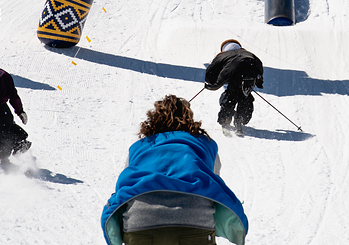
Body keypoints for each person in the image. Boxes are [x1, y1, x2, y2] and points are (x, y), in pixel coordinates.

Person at [101, 95, 248, 245]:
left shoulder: (139, 147)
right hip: (195, 223)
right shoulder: (204, 145)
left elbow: (126, 186)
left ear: (153, 120)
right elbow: (213, 181)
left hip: (139, 225)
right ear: (189, 119)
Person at [204, 39, 264, 136]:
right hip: (251, 74)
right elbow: (259, 65)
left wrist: (210, 83)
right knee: (245, 95)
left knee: (231, 95)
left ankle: (226, 119)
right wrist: (258, 81)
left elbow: (211, 72)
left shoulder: (222, 55)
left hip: (233, 74)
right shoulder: (249, 54)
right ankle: (241, 118)